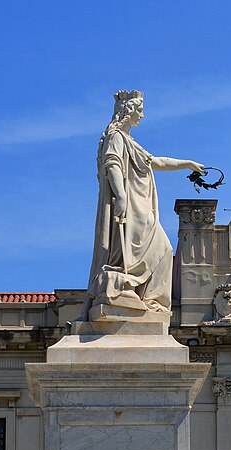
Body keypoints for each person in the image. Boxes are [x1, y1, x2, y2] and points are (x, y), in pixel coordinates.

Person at [82, 90, 203, 319]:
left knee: (165, 250)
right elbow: (112, 165)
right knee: (160, 248)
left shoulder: (131, 143)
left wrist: (187, 164)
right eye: (139, 110)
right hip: (130, 207)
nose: (142, 115)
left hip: (140, 207)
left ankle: (152, 301)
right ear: (128, 112)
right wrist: (120, 196)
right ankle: (133, 291)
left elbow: (157, 162)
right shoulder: (115, 137)